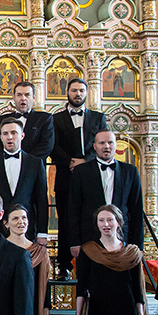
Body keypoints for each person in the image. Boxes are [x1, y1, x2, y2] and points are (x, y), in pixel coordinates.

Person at [51, 78, 107, 274]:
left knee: (91, 218)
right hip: (65, 177)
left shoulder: (98, 118)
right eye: (74, 90)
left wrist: (85, 161)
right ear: (67, 92)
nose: (78, 94)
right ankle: (64, 266)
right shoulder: (56, 118)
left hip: (91, 176)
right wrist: (70, 162)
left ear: (86, 93)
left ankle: (95, 262)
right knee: (65, 221)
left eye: (81, 90)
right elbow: (53, 146)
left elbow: (103, 143)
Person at [68, 130, 144, 260]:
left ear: (116, 145)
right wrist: (74, 242)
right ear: (95, 146)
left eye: (110, 142)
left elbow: (136, 210)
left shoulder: (130, 171)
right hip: (90, 239)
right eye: (102, 143)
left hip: (122, 239)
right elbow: (73, 209)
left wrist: (138, 245)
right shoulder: (81, 172)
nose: (106, 146)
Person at [0, 117, 48, 243]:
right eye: (5, 134)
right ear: (1, 137)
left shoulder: (35, 163)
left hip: (27, 229)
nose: (9, 137)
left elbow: (41, 200)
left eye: (14, 133)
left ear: (22, 135)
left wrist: (42, 233)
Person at [0, 81, 55, 161]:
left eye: (27, 95)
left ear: (33, 97)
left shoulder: (44, 119)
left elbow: (46, 146)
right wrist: (8, 160)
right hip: (6, 164)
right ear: (14, 97)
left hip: (33, 165)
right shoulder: (1, 120)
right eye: (19, 95)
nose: (23, 98)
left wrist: (25, 162)